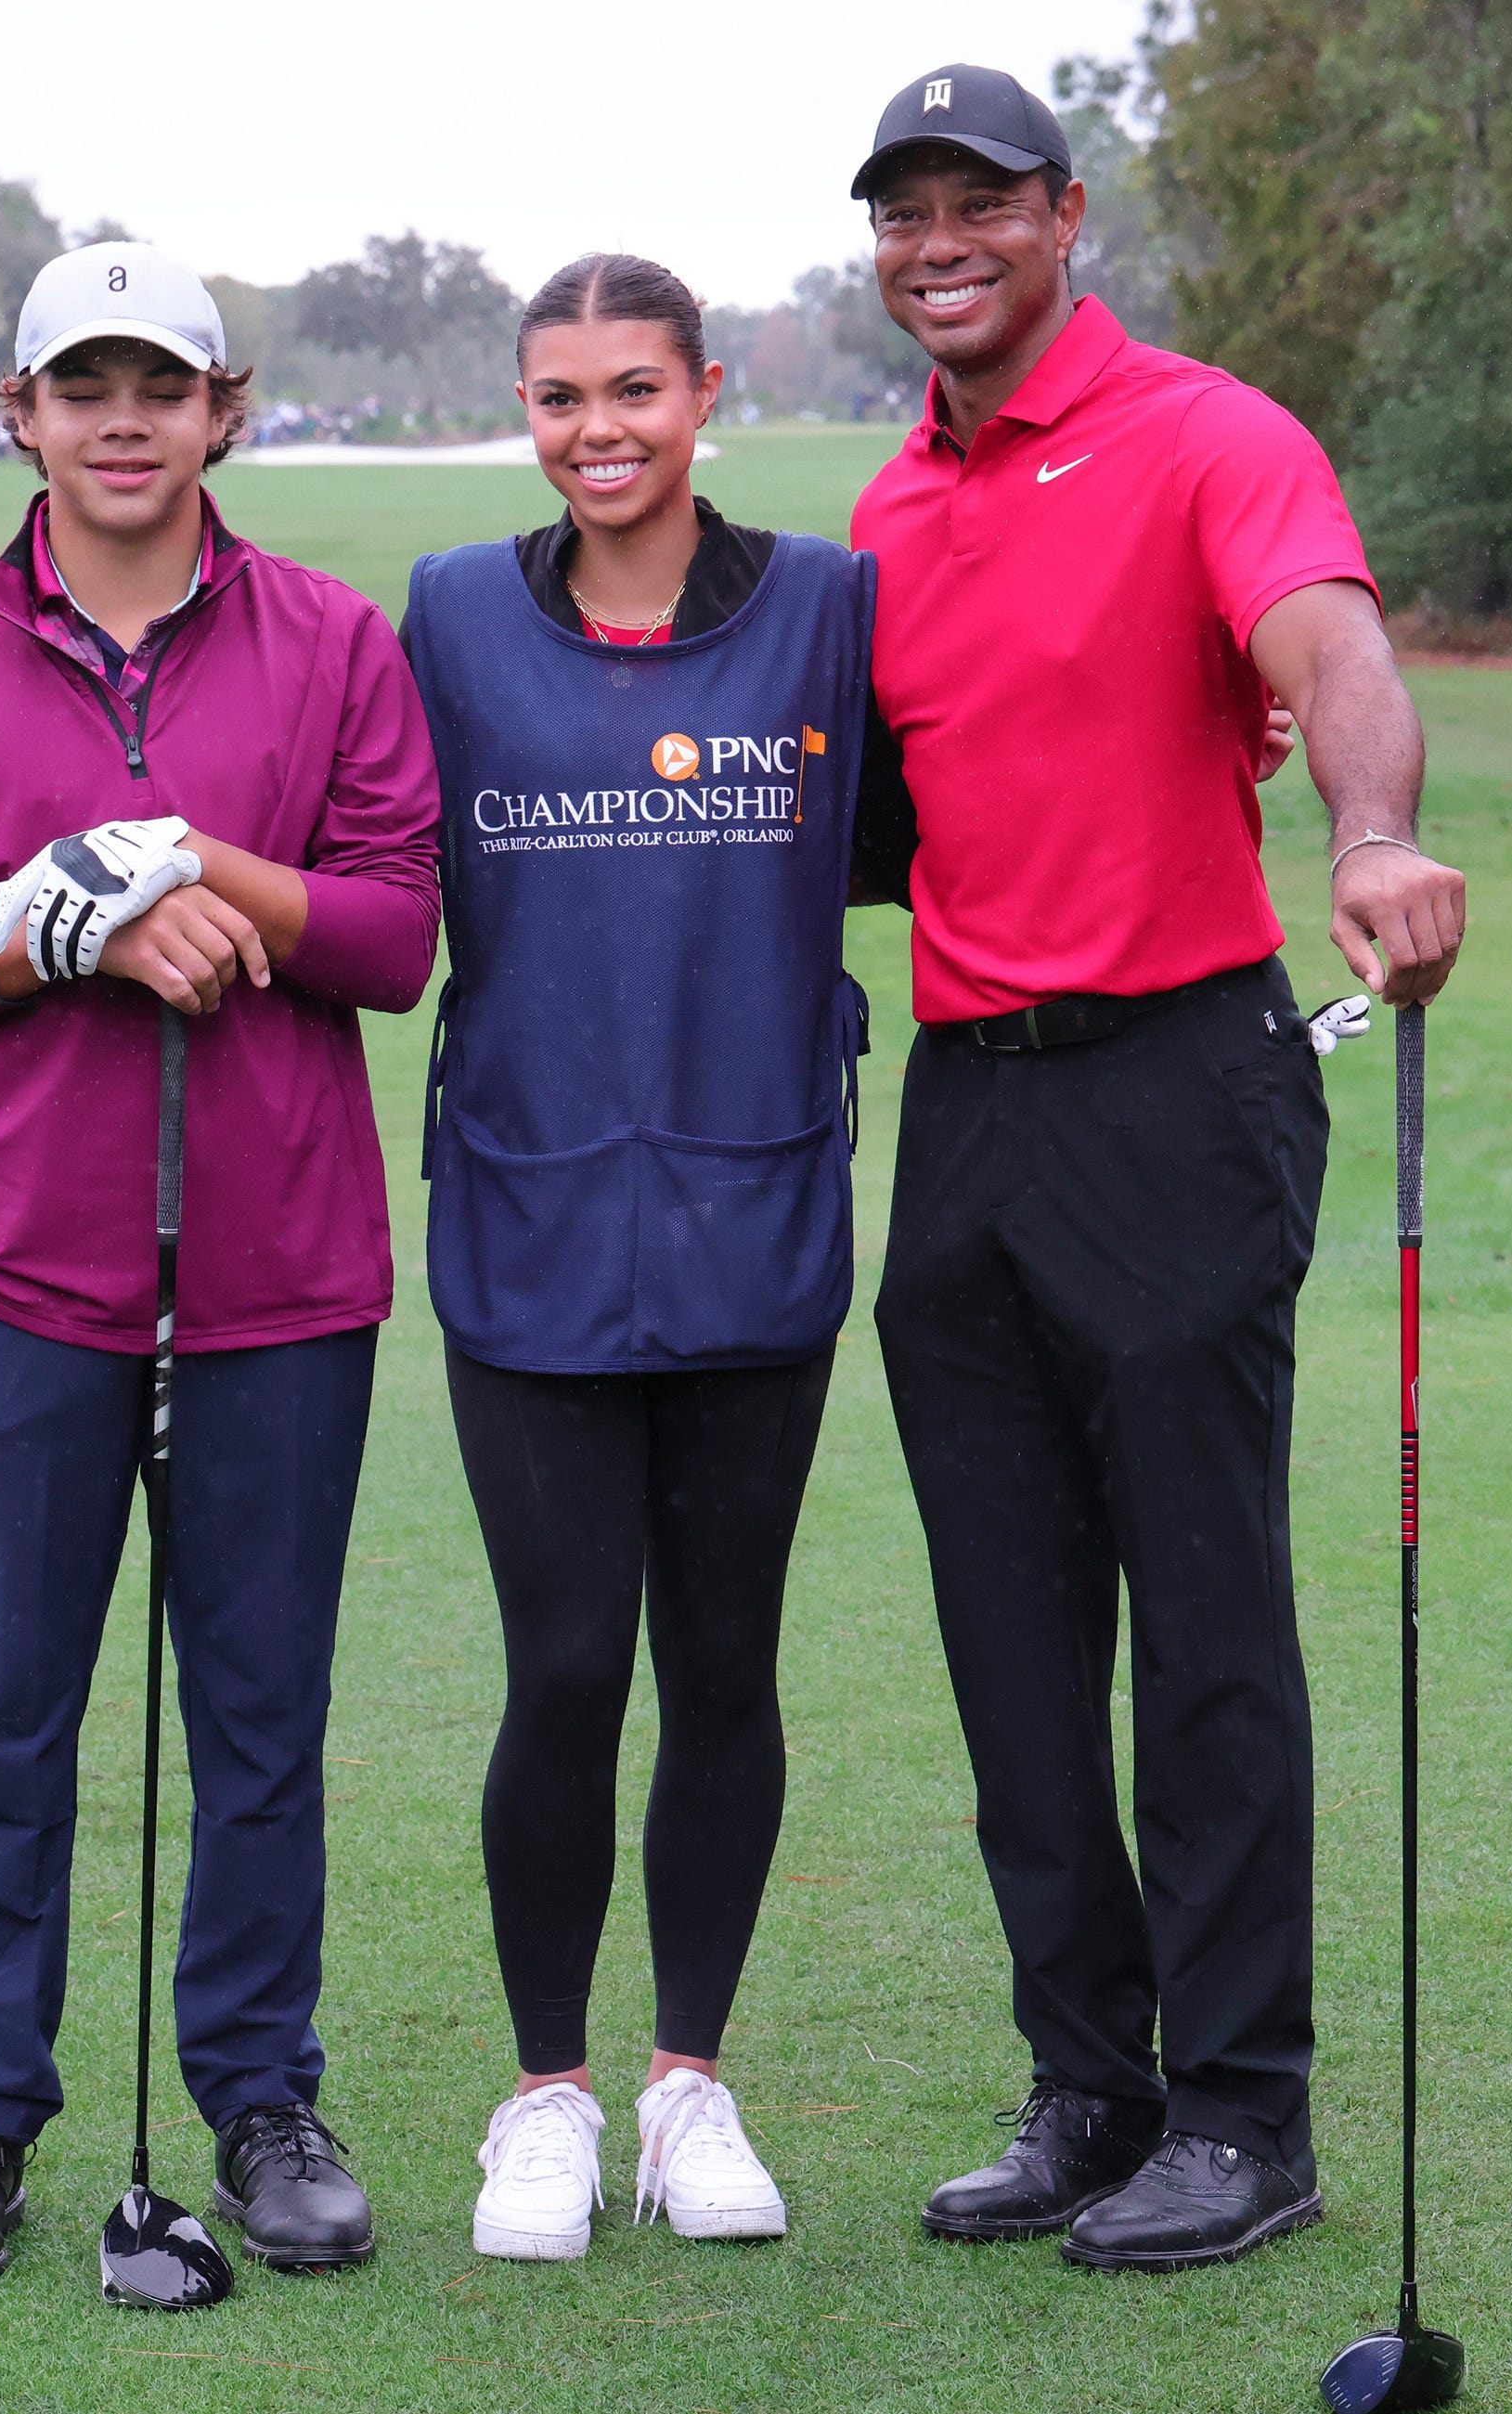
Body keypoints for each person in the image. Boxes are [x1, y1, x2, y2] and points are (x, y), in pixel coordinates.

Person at [837, 65, 1467, 2275]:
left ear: (1065, 215)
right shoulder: (885, 520)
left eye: (978, 202)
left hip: (1181, 1080)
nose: (941, 240)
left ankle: (1241, 2109)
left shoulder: (1209, 434)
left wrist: (1368, 831)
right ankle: (1087, 2082)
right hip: (968, 1109)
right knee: (1011, 1636)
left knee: (1201, 1620)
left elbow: (1331, 647)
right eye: (905, 209)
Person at [0, 239, 438, 2290]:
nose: (122, 417)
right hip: (23, 1278)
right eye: (80, 385)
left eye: (159, 383)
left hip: (280, 1274)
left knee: (260, 1715)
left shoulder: (335, 642)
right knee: (8, 1713)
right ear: (20, 416)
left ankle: (260, 2090)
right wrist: (44, 931)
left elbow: (390, 938)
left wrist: (178, 867)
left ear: (226, 409)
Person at [395, 252, 876, 2264]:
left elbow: (942, 823)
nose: (601, 429)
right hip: (528, 1213)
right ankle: (547, 2097)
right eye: (562, 395)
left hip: (757, 1207)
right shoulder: (444, 614)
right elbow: (348, 839)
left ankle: (689, 2081)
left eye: (637, 390)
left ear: (704, 399)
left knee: (725, 1666)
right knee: (570, 1661)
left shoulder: (832, 610)